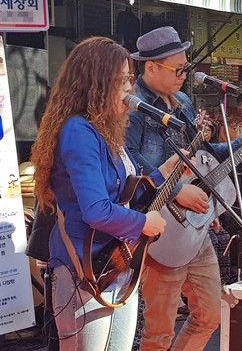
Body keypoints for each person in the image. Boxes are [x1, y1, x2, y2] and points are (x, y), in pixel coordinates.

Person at [30, 37, 182, 350]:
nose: (130, 87)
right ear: (98, 82)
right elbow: (97, 210)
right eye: (124, 79)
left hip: (115, 263)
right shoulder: (78, 130)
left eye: (130, 78)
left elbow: (121, 192)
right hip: (83, 268)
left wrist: (163, 173)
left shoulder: (105, 130)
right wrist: (143, 224)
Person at [126, 26, 242, 350]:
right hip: (158, 229)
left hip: (195, 226)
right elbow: (128, 162)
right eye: (178, 69)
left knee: (211, 314)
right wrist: (176, 192)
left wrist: (238, 144)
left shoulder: (184, 102)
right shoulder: (134, 111)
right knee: (158, 331)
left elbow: (200, 154)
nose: (184, 74)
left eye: (186, 68)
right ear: (150, 67)